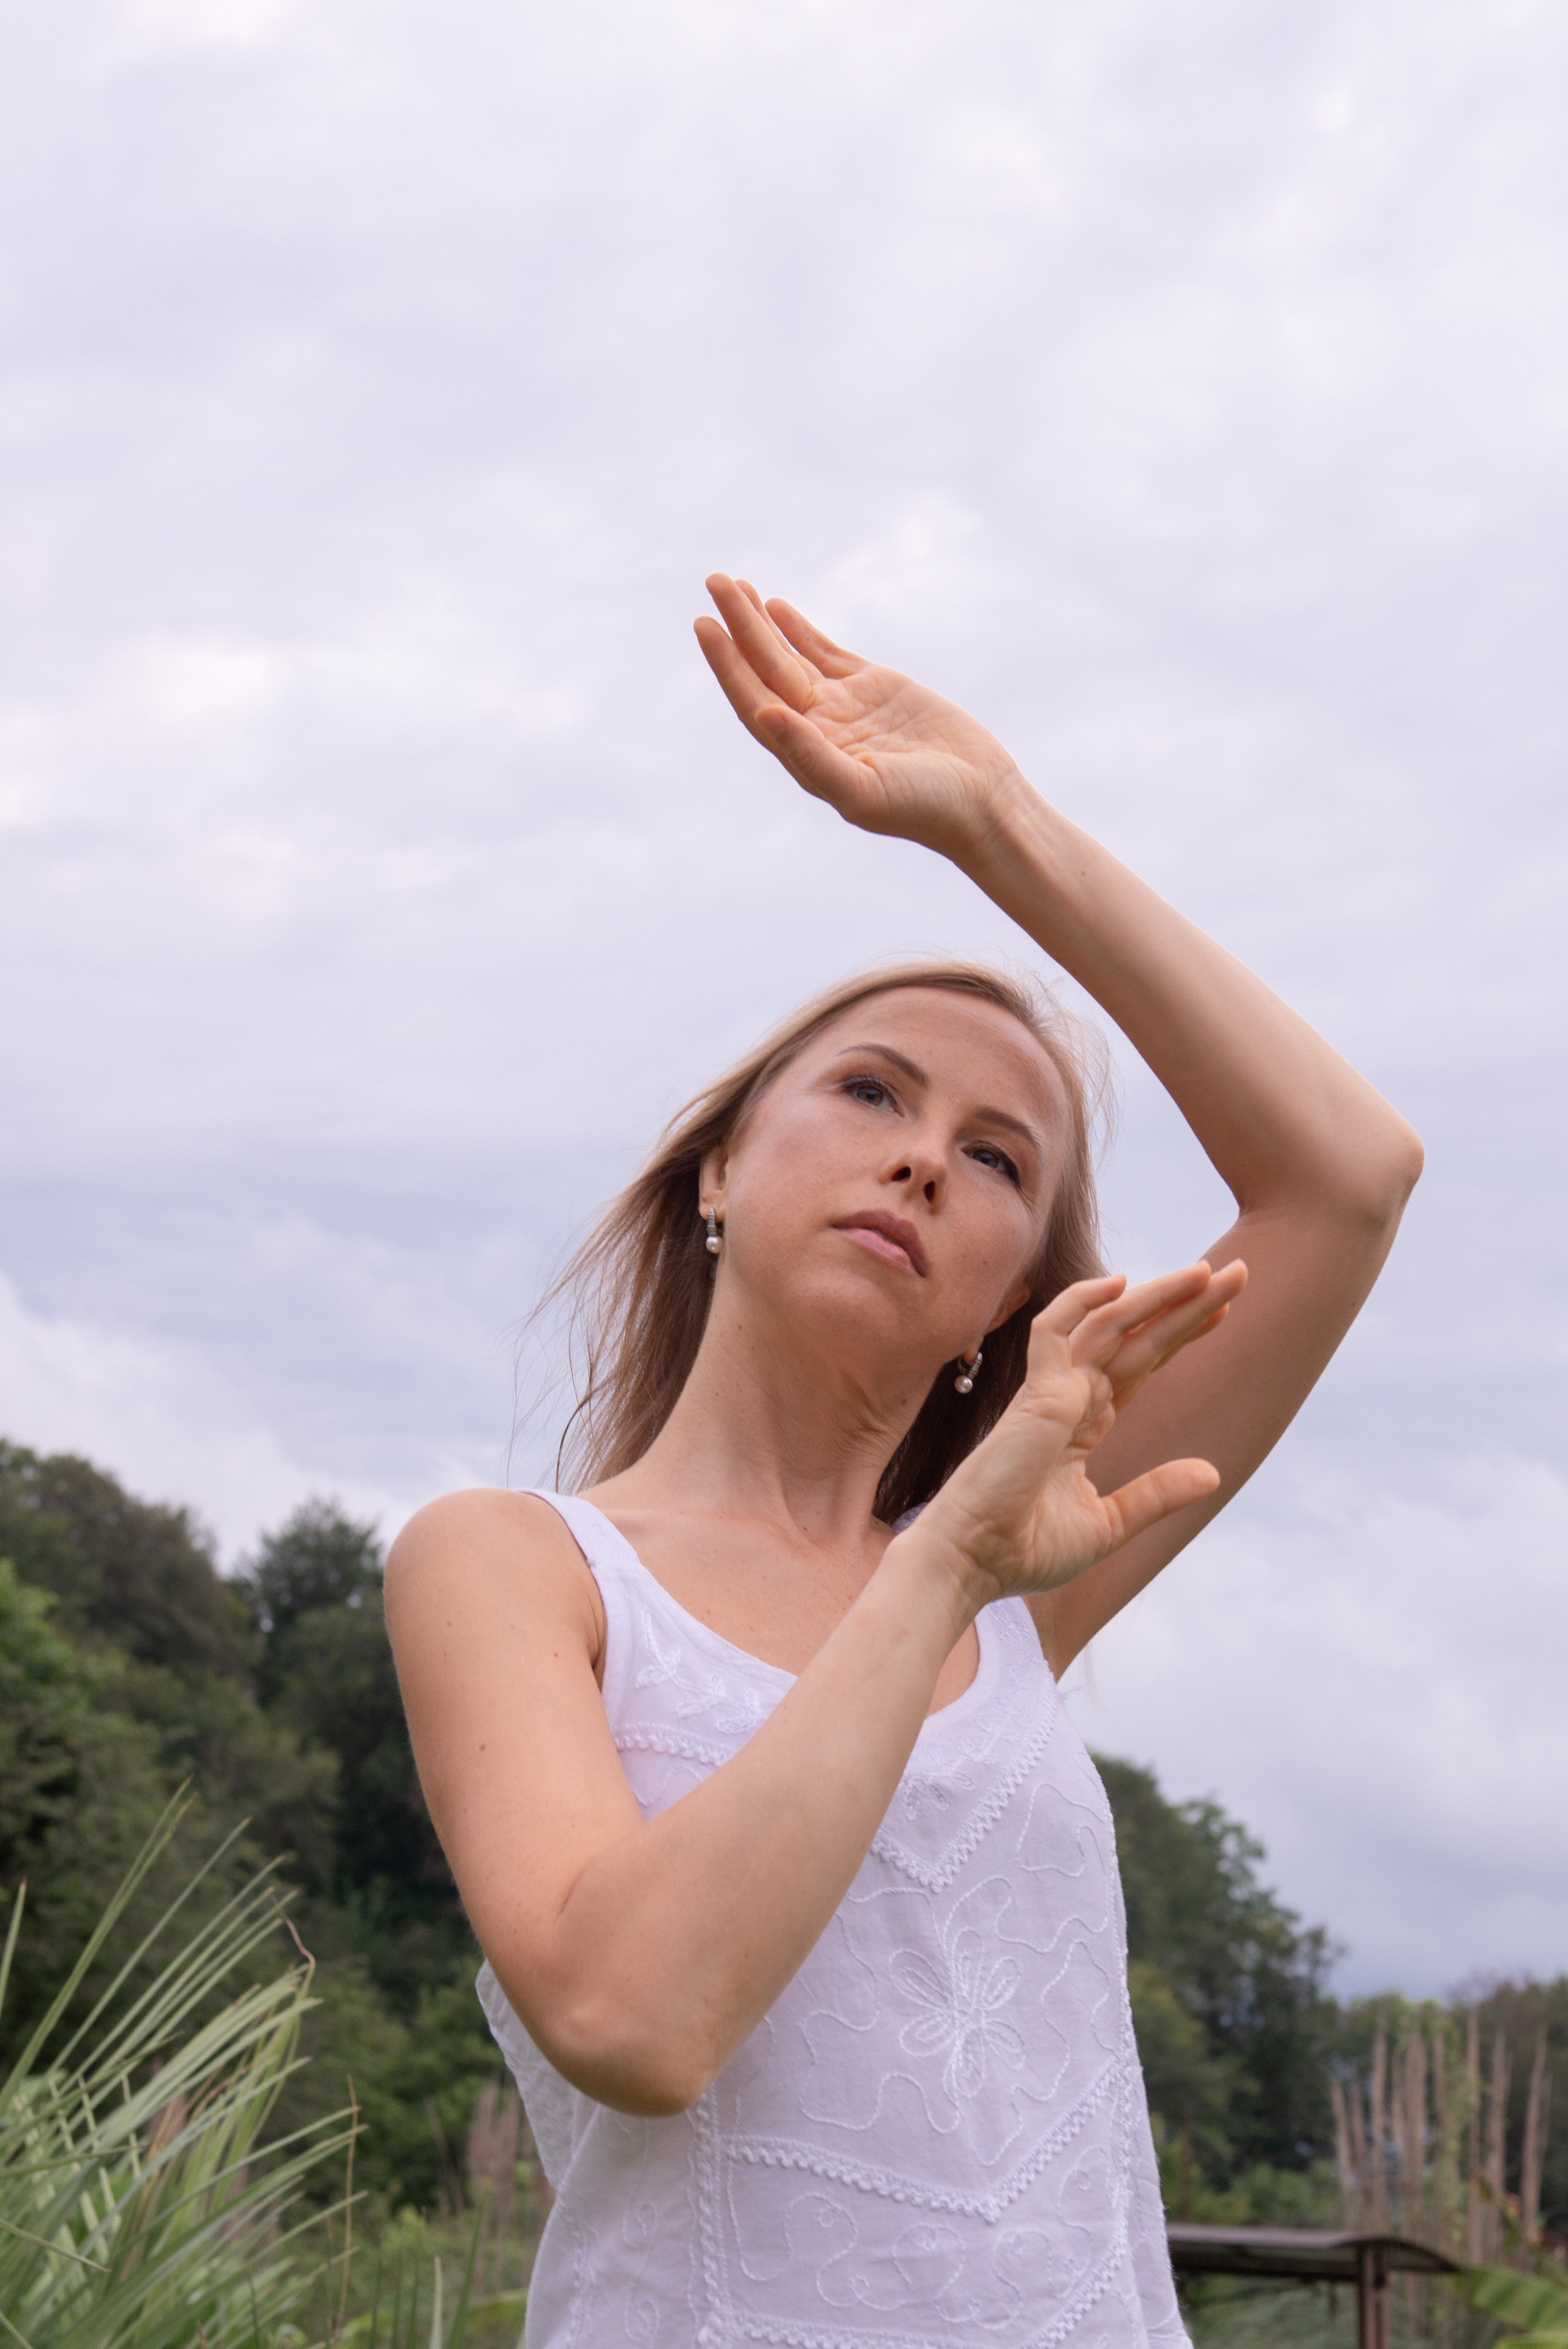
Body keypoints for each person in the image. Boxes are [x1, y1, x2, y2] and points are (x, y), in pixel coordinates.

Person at [386, 575, 1422, 2348]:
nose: (927, 1158)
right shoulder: (515, 1563)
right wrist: (942, 1562)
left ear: (1006, 1302)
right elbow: (636, 2016)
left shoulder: (1032, 1564)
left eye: (1000, 1157)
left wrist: (998, 826)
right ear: (716, 1168)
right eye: (870, 1093)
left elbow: (1347, 1177)